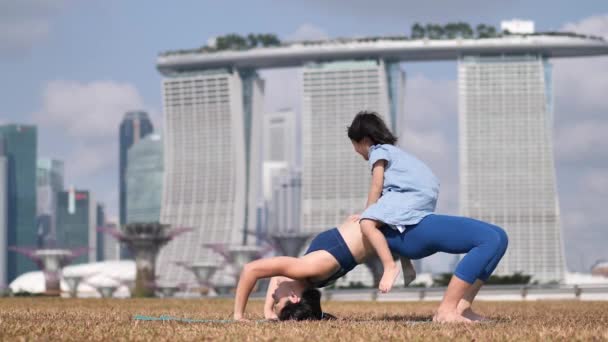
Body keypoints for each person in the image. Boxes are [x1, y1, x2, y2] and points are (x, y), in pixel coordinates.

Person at [233, 213, 508, 323]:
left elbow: (272, 275)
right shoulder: (309, 267)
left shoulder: (309, 275)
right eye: (274, 298)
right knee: (490, 239)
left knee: (497, 238)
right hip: (407, 234)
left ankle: (462, 307)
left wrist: (269, 311)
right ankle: (447, 310)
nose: (272, 292)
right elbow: (252, 270)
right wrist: (238, 315)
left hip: (399, 235)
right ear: (294, 297)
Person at [348, 111, 439, 293]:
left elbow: (376, 185)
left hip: (411, 194)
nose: (355, 150)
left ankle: (390, 266)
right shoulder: (395, 153)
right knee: (388, 226)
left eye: (355, 144)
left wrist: (367, 214)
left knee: (367, 224)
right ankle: (406, 263)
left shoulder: (378, 152)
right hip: (424, 194)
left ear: (365, 141)